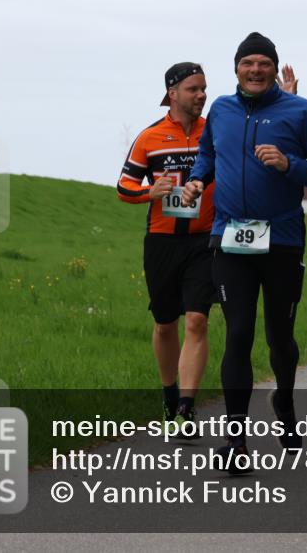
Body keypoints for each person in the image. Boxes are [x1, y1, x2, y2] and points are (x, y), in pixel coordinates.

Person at [183, 33, 307, 471]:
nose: (255, 70)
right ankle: (236, 444)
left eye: (263, 63)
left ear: (275, 68)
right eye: (247, 63)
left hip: (283, 242)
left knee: (279, 336)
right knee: (237, 335)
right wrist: (198, 179)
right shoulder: (221, 109)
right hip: (230, 239)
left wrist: (290, 164)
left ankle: (286, 409)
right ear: (236, 68)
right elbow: (207, 154)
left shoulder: (300, 111)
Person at [116, 62, 216, 436]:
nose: (201, 95)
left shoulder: (214, 133)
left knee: (197, 320)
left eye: (204, 88)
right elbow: (124, 187)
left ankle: (187, 410)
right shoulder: (150, 137)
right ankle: (169, 393)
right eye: (193, 89)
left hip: (205, 240)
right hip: (161, 241)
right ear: (172, 93)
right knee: (164, 325)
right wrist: (149, 192)